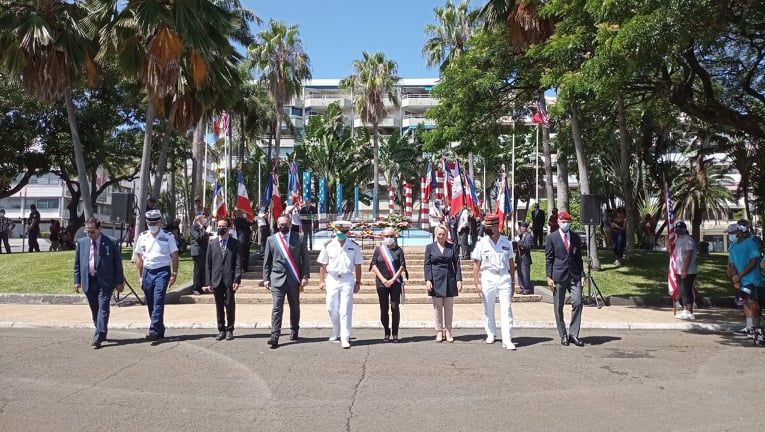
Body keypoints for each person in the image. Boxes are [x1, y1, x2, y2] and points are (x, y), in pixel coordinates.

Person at [73, 218, 125, 348]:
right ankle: (101, 329)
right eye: (87, 232)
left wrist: (119, 281)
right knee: (94, 308)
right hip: (89, 281)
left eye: (92, 231)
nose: (90, 234)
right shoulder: (82, 243)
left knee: (103, 308)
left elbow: (117, 264)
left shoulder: (111, 242)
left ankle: (98, 337)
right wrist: (77, 281)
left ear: (99, 229)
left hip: (105, 281)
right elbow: (77, 264)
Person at [263, 215, 310, 348]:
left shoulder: (299, 238)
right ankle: (275, 335)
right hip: (277, 279)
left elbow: (305, 259)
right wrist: (266, 278)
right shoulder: (271, 240)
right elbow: (267, 262)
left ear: (290, 225)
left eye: (286, 224)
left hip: (293, 279)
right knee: (277, 307)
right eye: (281, 224)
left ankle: (294, 329)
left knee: (294, 307)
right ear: (278, 225)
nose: (283, 226)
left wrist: (305, 276)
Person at [134, 209, 180, 342]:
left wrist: (174, 273)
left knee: (158, 299)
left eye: (155, 222)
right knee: (151, 302)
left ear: (160, 222)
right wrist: (140, 276)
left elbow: (174, 256)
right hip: (148, 272)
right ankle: (159, 328)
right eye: (150, 222)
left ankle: (153, 329)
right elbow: (139, 257)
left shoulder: (168, 236)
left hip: (162, 271)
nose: (152, 225)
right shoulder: (142, 236)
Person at [471, 214, 516, 350]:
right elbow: (476, 264)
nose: (488, 229)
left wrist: (513, 282)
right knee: (488, 307)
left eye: (491, 227)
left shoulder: (506, 242)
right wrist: (477, 283)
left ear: (497, 227)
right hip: (488, 277)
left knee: (506, 308)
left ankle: (507, 339)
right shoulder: (482, 243)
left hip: (503, 277)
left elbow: (511, 263)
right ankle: (491, 333)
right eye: (487, 227)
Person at [318, 220, 363, 349]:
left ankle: (345, 337)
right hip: (332, 278)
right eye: (338, 231)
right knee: (331, 307)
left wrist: (358, 282)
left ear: (347, 232)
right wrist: (321, 280)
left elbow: (358, 265)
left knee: (345, 310)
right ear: (335, 231)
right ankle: (335, 331)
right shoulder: (328, 245)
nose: (340, 233)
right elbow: (323, 264)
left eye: (343, 231)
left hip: (347, 279)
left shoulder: (354, 246)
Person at [545, 210, 585, 347]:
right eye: (563, 222)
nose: (566, 224)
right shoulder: (552, 238)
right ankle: (563, 334)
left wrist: (582, 275)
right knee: (558, 306)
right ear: (558, 222)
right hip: (558, 275)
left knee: (578, 302)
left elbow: (578, 258)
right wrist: (549, 277)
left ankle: (574, 333)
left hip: (574, 275)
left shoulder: (575, 237)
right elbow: (549, 259)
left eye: (568, 222)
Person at [424, 224, 463, 342]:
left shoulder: (452, 247)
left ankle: (449, 331)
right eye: (439, 234)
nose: (441, 236)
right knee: (437, 307)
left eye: (444, 234)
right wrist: (428, 279)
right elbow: (427, 264)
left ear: (447, 235)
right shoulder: (430, 247)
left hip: (449, 278)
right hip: (435, 279)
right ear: (436, 235)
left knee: (448, 307)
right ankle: (439, 331)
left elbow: (457, 264)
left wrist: (459, 279)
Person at [204, 218, 242, 341]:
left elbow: (238, 263)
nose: (220, 228)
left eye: (223, 226)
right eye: (218, 226)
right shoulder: (212, 243)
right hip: (216, 279)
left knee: (230, 305)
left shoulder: (235, 243)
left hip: (229, 279)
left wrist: (237, 279)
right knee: (219, 305)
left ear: (229, 228)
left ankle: (230, 329)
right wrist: (208, 281)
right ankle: (221, 329)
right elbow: (208, 264)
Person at [370, 227, 407, 342]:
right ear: (382, 237)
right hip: (381, 283)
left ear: (395, 237)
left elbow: (402, 266)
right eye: (386, 236)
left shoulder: (399, 250)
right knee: (383, 307)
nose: (389, 238)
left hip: (395, 282)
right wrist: (383, 280)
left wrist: (393, 279)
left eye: (391, 236)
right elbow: (373, 266)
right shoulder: (378, 250)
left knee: (395, 307)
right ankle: (386, 332)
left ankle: (395, 333)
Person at [727, 223, 762, 335]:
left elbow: (754, 262)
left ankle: (756, 327)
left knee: (752, 301)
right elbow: (731, 264)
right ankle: (749, 326)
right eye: (729, 234)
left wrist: (740, 275)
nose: (730, 236)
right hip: (740, 280)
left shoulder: (750, 243)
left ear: (739, 233)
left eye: (732, 233)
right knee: (745, 301)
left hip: (752, 279)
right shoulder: (732, 246)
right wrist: (734, 277)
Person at [672, 221, 698, 320]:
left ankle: (690, 311)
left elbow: (689, 255)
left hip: (688, 270)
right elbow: (674, 254)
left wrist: (684, 270)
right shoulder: (677, 240)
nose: (678, 230)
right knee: (682, 291)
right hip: (678, 269)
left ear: (684, 229)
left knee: (687, 291)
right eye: (677, 228)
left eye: (680, 228)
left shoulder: (688, 240)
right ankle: (684, 309)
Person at [189, 214, 210, 295]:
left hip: (203, 251)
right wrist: (206, 233)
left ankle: (200, 286)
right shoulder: (194, 227)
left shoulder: (203, 227)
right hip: (197, 252)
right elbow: (198, 238)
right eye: (203, 218)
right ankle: (195, 288)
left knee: (202, 270)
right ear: (199, 219)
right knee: (197, 271)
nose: (205, 219)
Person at [516, 221, 534, 295]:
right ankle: (522, 287)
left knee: (525, 273)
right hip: (519, 257)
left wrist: (519, 242)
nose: (521, 228)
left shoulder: (529, 236)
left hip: (525, 258)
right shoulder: (520, 236)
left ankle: (527, 288)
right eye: (520, 227)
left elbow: (528, 246)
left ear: (525, 228)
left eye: (522, 227)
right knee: (519, 273)